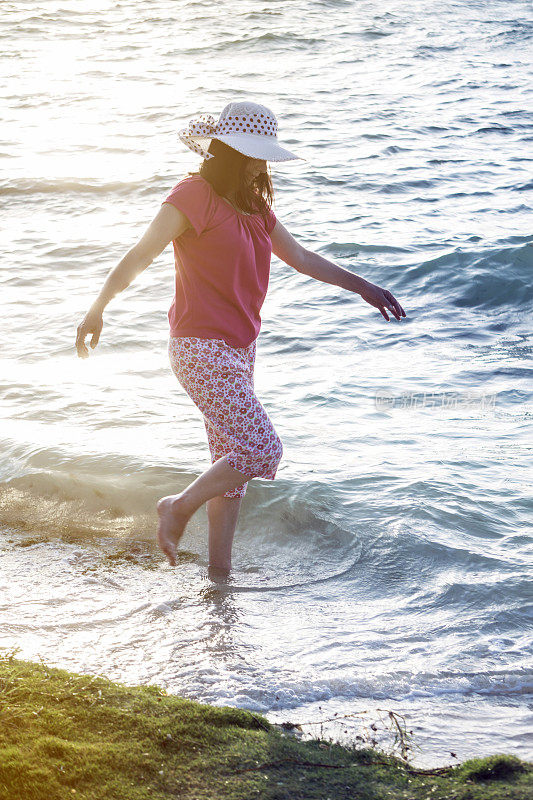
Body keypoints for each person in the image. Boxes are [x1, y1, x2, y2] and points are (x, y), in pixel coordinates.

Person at [75, 100, 406, 577]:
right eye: (255, 155)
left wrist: (364, 287)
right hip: (198, 348)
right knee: (262, 449)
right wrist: (97, 307)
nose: (262, 164)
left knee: (230, 474)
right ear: (232, 152)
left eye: (265, 156)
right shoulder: (192, 195)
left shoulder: (254, 207)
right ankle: (178, 507)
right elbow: (140, 254)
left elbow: (304, 259)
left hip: (240, 351)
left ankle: (219, 583)